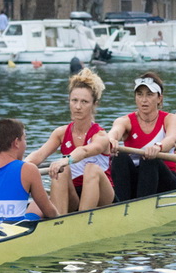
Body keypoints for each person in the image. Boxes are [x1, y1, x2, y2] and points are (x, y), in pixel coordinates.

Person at [26, 68, 114, 215]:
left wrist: (66, 160)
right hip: (74, 195)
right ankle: (59, 221)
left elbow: (84, 151)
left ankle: (83, 219)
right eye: (74, 100)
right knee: (61, 171)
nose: (78, 107)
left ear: (94, 104)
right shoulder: (61, 133)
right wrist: (18, 167)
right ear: (69, 101)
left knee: (90, 168)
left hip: (102, 196)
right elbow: (39, 155)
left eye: (84, 102)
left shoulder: (100, 136)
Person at [107, 72, 176, 200]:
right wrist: (111, 140)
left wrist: (158, 147)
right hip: (136, 182)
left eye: (149, 94)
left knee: (149, 159)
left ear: (159, 98)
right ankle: (121, 204)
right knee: (119, 156)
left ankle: (141, 205)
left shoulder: (170, 119)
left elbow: (172, 138)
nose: (144, 100)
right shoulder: (125, 121)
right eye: (139, 94)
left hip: (165, 183)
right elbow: (114, 132)